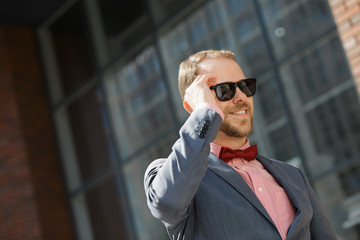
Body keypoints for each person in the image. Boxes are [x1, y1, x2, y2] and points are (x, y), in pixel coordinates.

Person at [144, 50, 336, 240]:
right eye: (225, 90)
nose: (241, 97)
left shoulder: (294, 175)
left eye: (245, 86)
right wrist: (203, 113)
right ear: (194, 105)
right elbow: (166, 203)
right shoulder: (170, 174)